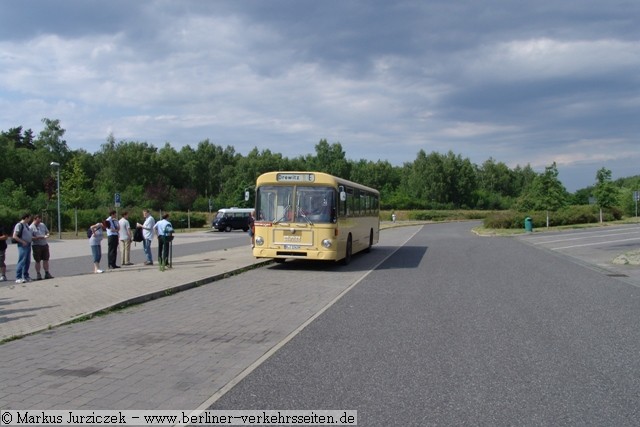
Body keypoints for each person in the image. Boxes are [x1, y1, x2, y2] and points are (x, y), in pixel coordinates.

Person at [30, 215, 53, 280]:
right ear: (34, 220)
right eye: (37, 221)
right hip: (36, 245)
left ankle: (47, 273)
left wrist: (47, 235)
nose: (39, 223)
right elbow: (30, 237)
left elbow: (47, 232)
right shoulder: (31, 227)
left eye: (39, 221)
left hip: (44, 244)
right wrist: (38, 237)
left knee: (46, 259)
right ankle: (38, 274)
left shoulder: (42, 225)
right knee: (37, 260)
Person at [13, 213, 33, 283]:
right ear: (26, 218)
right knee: (22, 260)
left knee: (27, 261)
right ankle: (18, 277)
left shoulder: (26, 225)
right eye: (29, 218)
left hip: (28, 244)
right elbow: (15, 236)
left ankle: (26, 276)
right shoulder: (19, 225)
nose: (30, 219)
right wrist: (22, 242)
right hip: (22, 245)